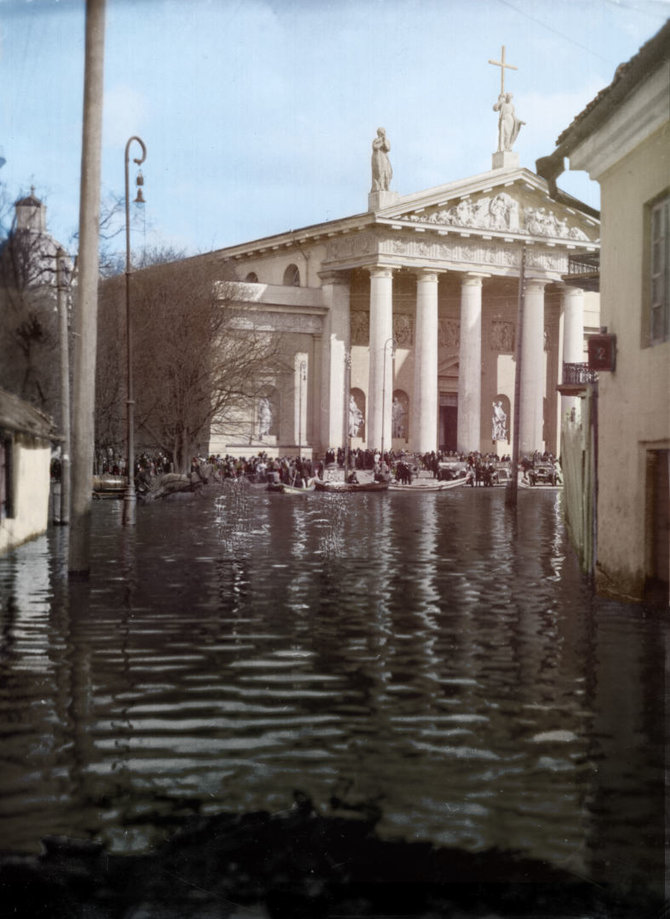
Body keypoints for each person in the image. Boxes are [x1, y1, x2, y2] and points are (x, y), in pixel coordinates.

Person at [371, 127, 392, 192]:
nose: (383, 133)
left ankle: (386, 186)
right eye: (382, 132)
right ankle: (381, 186)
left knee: (387, 172)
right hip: (378, 157)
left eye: (384, 132)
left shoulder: (386, 140)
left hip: (384, 158)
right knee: (379, 172)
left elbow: (388, 148)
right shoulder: (375, 140)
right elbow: (375, 147)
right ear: (378, 133)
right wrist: (381, 143)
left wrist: (384, 140)